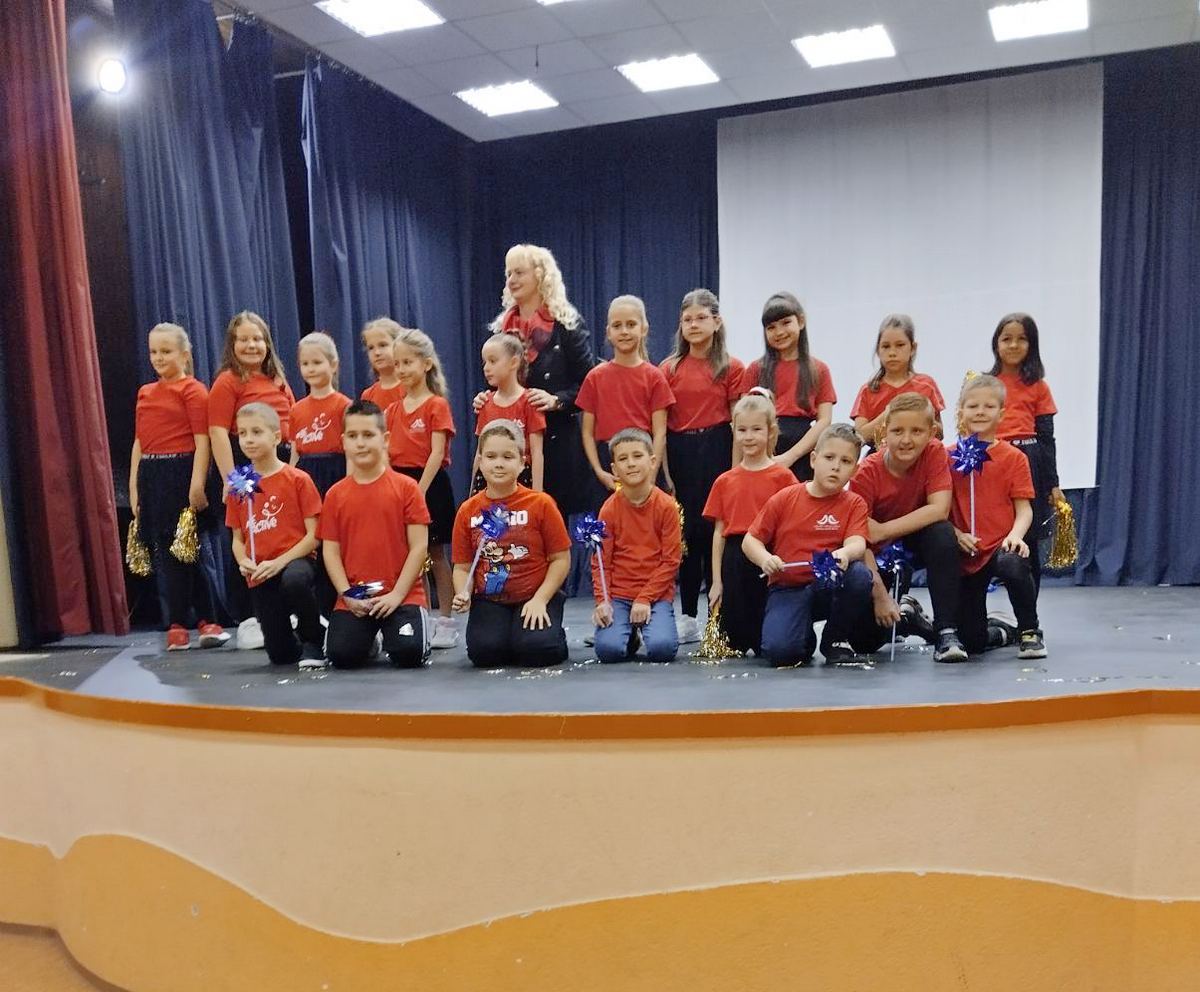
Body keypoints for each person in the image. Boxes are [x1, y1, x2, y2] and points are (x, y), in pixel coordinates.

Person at [478, 243, 595, 523]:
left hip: (554, 444)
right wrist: (486, 397)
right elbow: (496, 381)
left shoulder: (567, 324)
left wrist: (557, 400)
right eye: (508, 273)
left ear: (541, 275)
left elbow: (589, 384)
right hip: (509, 448)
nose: (512, 280)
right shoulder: (501, 329)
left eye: (519, 272)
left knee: (549, 526)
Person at [129, 322, 228, 651]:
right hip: (152, 474)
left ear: (185, 355)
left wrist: (197, 483)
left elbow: (202, 441)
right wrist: (134, 486)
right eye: (153, 352)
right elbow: (140, 443)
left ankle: (184, 621)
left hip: (182, 472)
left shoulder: (194, 390)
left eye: (166, 351)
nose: (158, 357)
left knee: (185, 549)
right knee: (168, 551)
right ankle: (199, 620)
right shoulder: (145, 393)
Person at [847, 392, 966, 662]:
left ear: (932, 433)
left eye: (916, 431)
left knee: (942, 533)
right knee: (864, 641)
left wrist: (883, 530)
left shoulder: (934, 453)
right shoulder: (866, 473)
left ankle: (946, 631)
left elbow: (939, 509)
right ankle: (908, 618)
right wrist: (880, 595)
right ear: (884, 432)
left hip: (915, 540)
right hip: (879, 556)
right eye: (898, 431)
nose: (906, 440)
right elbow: (860, 539)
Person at [741, 423, 872, 666]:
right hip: (788, 587)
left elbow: (858, 543)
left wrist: (844, 553)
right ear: (813, 460)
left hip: (828, 581)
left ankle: (835, 637)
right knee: (781, 653)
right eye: (829, 458)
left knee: (859, 576)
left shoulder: (854, 503)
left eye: (845, 461)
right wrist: (765, 559)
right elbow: (750, 541)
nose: (836, 466)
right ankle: (802, 635)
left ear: (854, 470)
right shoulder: (785, 497)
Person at [659, 288, 743, 645]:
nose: (694, 325)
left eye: (701, 318)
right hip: (682, 452)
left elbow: (738, 424)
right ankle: (689, 615)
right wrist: (665, 473)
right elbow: (661, 427)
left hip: (718, 448)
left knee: (716, 533)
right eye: (687, 319)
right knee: (689, 536)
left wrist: (736, 471)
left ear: (716, 321)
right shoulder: (669, 368)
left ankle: (717, 615)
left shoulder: (732, 367)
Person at [320, 400, 431, 669]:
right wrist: (347, 594)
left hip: (401, 593)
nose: (360, 443)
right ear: (343, 442)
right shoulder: (335, 494)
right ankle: (370, 640)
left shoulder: (407, 488)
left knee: (409, 653)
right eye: (353, 436)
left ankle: (398, 633)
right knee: (341, 655)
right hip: (358, 595)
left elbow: (419, 547)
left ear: (385, 439)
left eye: (368, 435)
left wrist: (397, 595)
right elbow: (330, 551)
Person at [451, 420, 571, 668]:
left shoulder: (541, 504)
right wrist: (463, 592)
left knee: (537, 650)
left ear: (522, 462)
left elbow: (560, 559)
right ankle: (508, 635)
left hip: (535, 595)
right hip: (490, 599)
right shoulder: (467, 511)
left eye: (507, 457)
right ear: (480, 461)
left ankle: (548, 633)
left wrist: (541, 599)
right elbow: (463, 567)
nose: (499, 463)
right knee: (485, 654)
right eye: (491, 456)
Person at [949, 374, 1046, 659]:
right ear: (961, 412)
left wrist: (1015, 535)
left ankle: (1029, 630)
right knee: (972, 642)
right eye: (973, 406)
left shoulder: (1014, 458)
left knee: (1012, 563)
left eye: (989, 406)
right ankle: (1002, 631)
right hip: (966, 551)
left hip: (999, 547)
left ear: (1001, 413)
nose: (980, 412)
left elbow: (1024, 509)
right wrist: (957, 534)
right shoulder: (946, 456)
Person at [225, 403, 324, 669]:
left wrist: (279, 562)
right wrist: (243, 561)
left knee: (294, 581)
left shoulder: (297, 479)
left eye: (257, 432)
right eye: (243, 433)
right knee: (280, 655)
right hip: (261, 571)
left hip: (295, 561)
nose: (248, 439)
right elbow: (237, 538)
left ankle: (314, 636)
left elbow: (314, 536)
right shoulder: (239, 483)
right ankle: (294, 636)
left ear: (276, 437)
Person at [702, 389, 797, 655]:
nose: (749, 436)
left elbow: (791, 527)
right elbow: (719, 533)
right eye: (742, 430)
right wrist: (717, 581)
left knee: (767, 639)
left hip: (769, 556)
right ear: (733, 430)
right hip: (734, 561)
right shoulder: (724, 481)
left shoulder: (783, 477)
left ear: (770, 431)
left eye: (756, 429)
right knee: (731, 642)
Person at [385, 327, 459, 649]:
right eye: (397, 364)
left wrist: (419, 490)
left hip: (429, 484)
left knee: (435, 553)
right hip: (400, 484)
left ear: (426, 364)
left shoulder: (436, 405)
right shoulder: (392, 410)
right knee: (411, 557)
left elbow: (436, 452)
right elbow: (387, 454)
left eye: (407, 362)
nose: (401, 370)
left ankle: (446, 620)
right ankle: (422, 616)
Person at [591, 428, 682, 664]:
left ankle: (646, 625)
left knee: (663, 649)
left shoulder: (666, 506)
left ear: (652, 461)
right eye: (623, 459)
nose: (631, 464)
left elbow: (671, 561)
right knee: (608, 651)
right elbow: (601, 562)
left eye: (637, 456)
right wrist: (603, 601)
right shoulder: (608, 509)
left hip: (656, 595)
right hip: (619, 595)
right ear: (614, 470)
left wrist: (645, 598)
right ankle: (629, 634)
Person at [989, 312, 1062, 593]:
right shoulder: (985, 383)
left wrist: (1053, 483)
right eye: (1007, 339)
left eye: (1021, 339)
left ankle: (1028, 613)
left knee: (1027, 539)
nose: (1013, 345)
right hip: (993, 460)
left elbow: (1046, 439)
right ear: (996, 343)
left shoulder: (1039, 387)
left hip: (1028, 462)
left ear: (1032, 345)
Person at [577, 295, 675, 493]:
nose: (624, 331)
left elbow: (660, 433)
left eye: (631, 324)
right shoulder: (595, 377)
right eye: (617, 326)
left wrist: (651, 474)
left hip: (643, 458)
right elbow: (587, 432)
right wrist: (599, 471)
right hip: (607, 464)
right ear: (608, 332)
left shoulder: (654, 377)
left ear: (644, 329)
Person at [741, 292, 835, 482]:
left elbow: (824, 421)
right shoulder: (755, 370)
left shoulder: (819, 369)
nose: (779, 332)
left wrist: (791, 456)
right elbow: (743, 418)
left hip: (804, 450)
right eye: (771, 327)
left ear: (801, 321)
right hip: (764, 447)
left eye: (786, 323)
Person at [207, 310, 295, 482]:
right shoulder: (227, 381)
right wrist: (231, 479)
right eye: (243, 340)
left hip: (282, 461)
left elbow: (295, 420)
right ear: (232, 345)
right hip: (246, 464)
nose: (251, 345)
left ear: (267, 344)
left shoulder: (278, 380)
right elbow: (217, 433)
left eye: (257, 339)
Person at [850, 314, 946, 449]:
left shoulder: (926, 385)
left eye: (900, 345)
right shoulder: (869, 390)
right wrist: (889, 413)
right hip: (881, 457)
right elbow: (859, 437)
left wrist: (916, 418)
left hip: (921, 456)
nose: (892, 352)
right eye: (886, 346)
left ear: (913, 348)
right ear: (878, 350)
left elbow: (939, 434)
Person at [470, 333, 545, 492]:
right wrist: (472, 493)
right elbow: (479, 453)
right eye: (484, 362)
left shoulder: (530, 401)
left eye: (493, 361)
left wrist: (537, 494)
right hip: (489, 480)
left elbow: (537, 453)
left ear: (514, 362)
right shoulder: (485, 402)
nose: (486, 368)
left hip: (520, 478)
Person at [289, 332, 351, 497]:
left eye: (317, 362)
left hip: (335, 472)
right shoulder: (296, 409)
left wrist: (350, 485)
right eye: (305, 363)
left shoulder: (344, 405)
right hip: (305, 474)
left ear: (333, 365)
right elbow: (295, 455)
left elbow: (351, 453)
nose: (311, 369)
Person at [359, 317, 406, 411]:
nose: (377, 353)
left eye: (383, 345)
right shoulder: (368, 396)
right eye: (371, 348)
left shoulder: (411, 388)